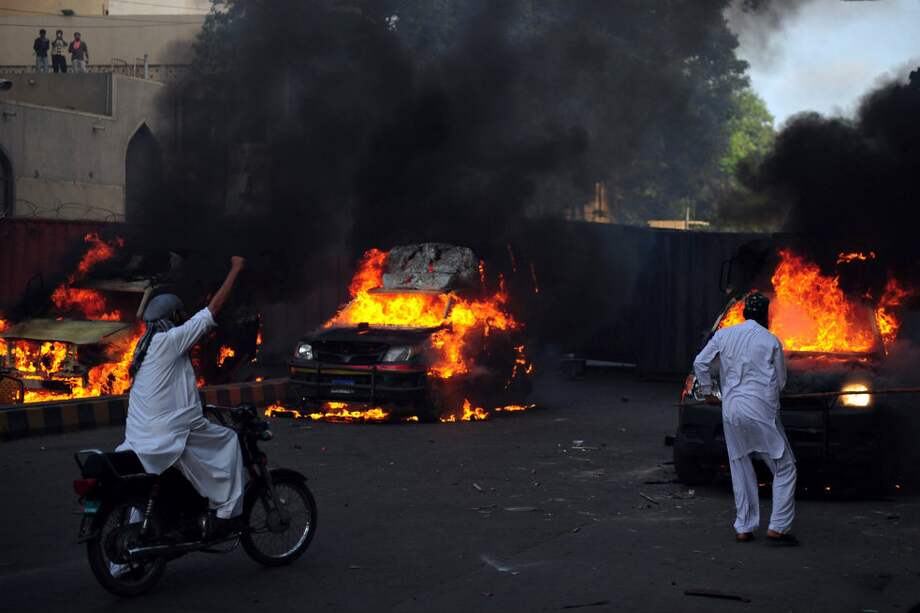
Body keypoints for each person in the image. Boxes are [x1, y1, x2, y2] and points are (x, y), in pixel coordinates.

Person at [117, 256, 247, 537]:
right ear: (172, 317)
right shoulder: (170, 340)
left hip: (137, 436)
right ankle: (225, 514)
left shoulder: (144, 345)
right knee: (228, 441)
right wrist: (235, 269)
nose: (183, 319)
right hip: (169, 432)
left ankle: (124, 563)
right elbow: (212, 310)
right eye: (180, 315)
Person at [693, 292, 799, 546]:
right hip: (761, 409)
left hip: (732, 409)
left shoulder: (725, 334)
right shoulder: (771, 341)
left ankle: (744, 527)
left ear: (744, 314)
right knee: (785, 467)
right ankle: (778, 528)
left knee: (740, 465)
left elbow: (700, 362)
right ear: (765, 315)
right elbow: (781, 382)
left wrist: (708, 391)